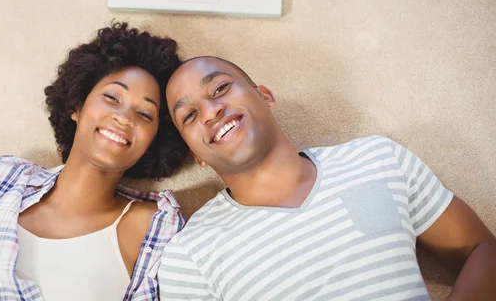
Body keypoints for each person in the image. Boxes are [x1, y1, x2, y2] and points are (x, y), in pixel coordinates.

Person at [159, 56, 496, 301]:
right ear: (197, 156)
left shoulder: (378, 159)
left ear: (265, 95)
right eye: (190, 115)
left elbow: (482, 249)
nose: (211, 111)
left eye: (219, 88)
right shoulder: (189, 255)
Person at [0, 22, 190, 301]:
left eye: (145, 115)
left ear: (154, 139)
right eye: (113, 97)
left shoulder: (157, 227)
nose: (124, 117)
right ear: (77, 105)